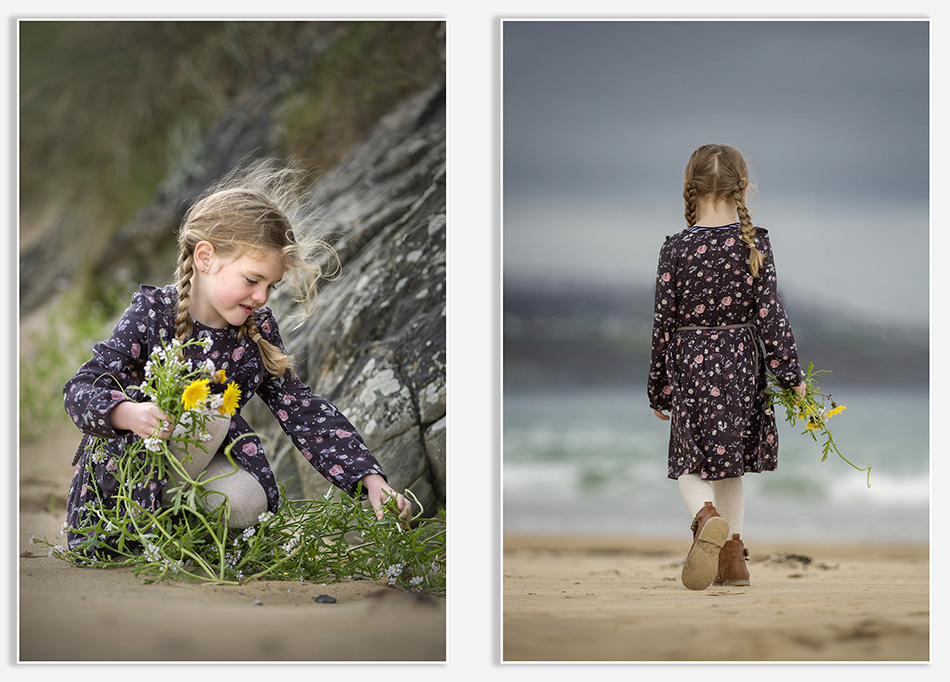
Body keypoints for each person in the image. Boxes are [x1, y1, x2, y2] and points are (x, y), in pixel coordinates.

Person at [63, 162, 410, 554]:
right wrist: (127, 413)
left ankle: (183, 542)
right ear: (206, 257)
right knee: (211, 414)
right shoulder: (152, 312)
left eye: (270, 285)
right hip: (122, 492)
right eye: (251, 280)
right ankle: (145, 531)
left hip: (194, 472)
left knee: (248, 501)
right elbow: (80, 388)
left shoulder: (256, 329)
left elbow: (302, 409)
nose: (261, 297)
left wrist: (368, 478)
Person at [647, 144, 805, 591]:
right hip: (740, 363)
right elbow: (771, 314)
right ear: (742, 188)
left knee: (688, 461)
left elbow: (663, 322)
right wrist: (790, 375)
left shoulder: (676, 248)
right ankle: (733, 561)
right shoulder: (754, 242)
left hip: (691, 363)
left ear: (689, 187)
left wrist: (658, 387)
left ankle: (705, 517)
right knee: (729, 464)